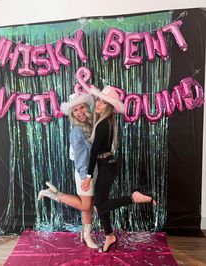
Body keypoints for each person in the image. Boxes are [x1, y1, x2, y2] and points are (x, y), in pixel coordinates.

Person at [81, 85, 156, 253]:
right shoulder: (105, 122)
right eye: (98, 100)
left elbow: (94, 152)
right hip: (107, 165)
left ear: (109, 107)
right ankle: (110, 236)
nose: (98, 104)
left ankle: (133, 198)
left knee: (100, 205)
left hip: (106, 166)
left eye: (103, 102)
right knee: (100, 204)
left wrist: (87, 176)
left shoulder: (103, 125)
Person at [38, 93, 98, 249]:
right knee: (85, 206)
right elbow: (80, 158)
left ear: (87, 108)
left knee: (88, 207)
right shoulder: (77, 131)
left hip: (94, 171)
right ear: (73, 114)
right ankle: (52, 194)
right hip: (85, 173)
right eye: (76, 110)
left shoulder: (91, 125)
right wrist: (86, 177)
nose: (80, 112)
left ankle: (86, 236)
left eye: (82, 108)